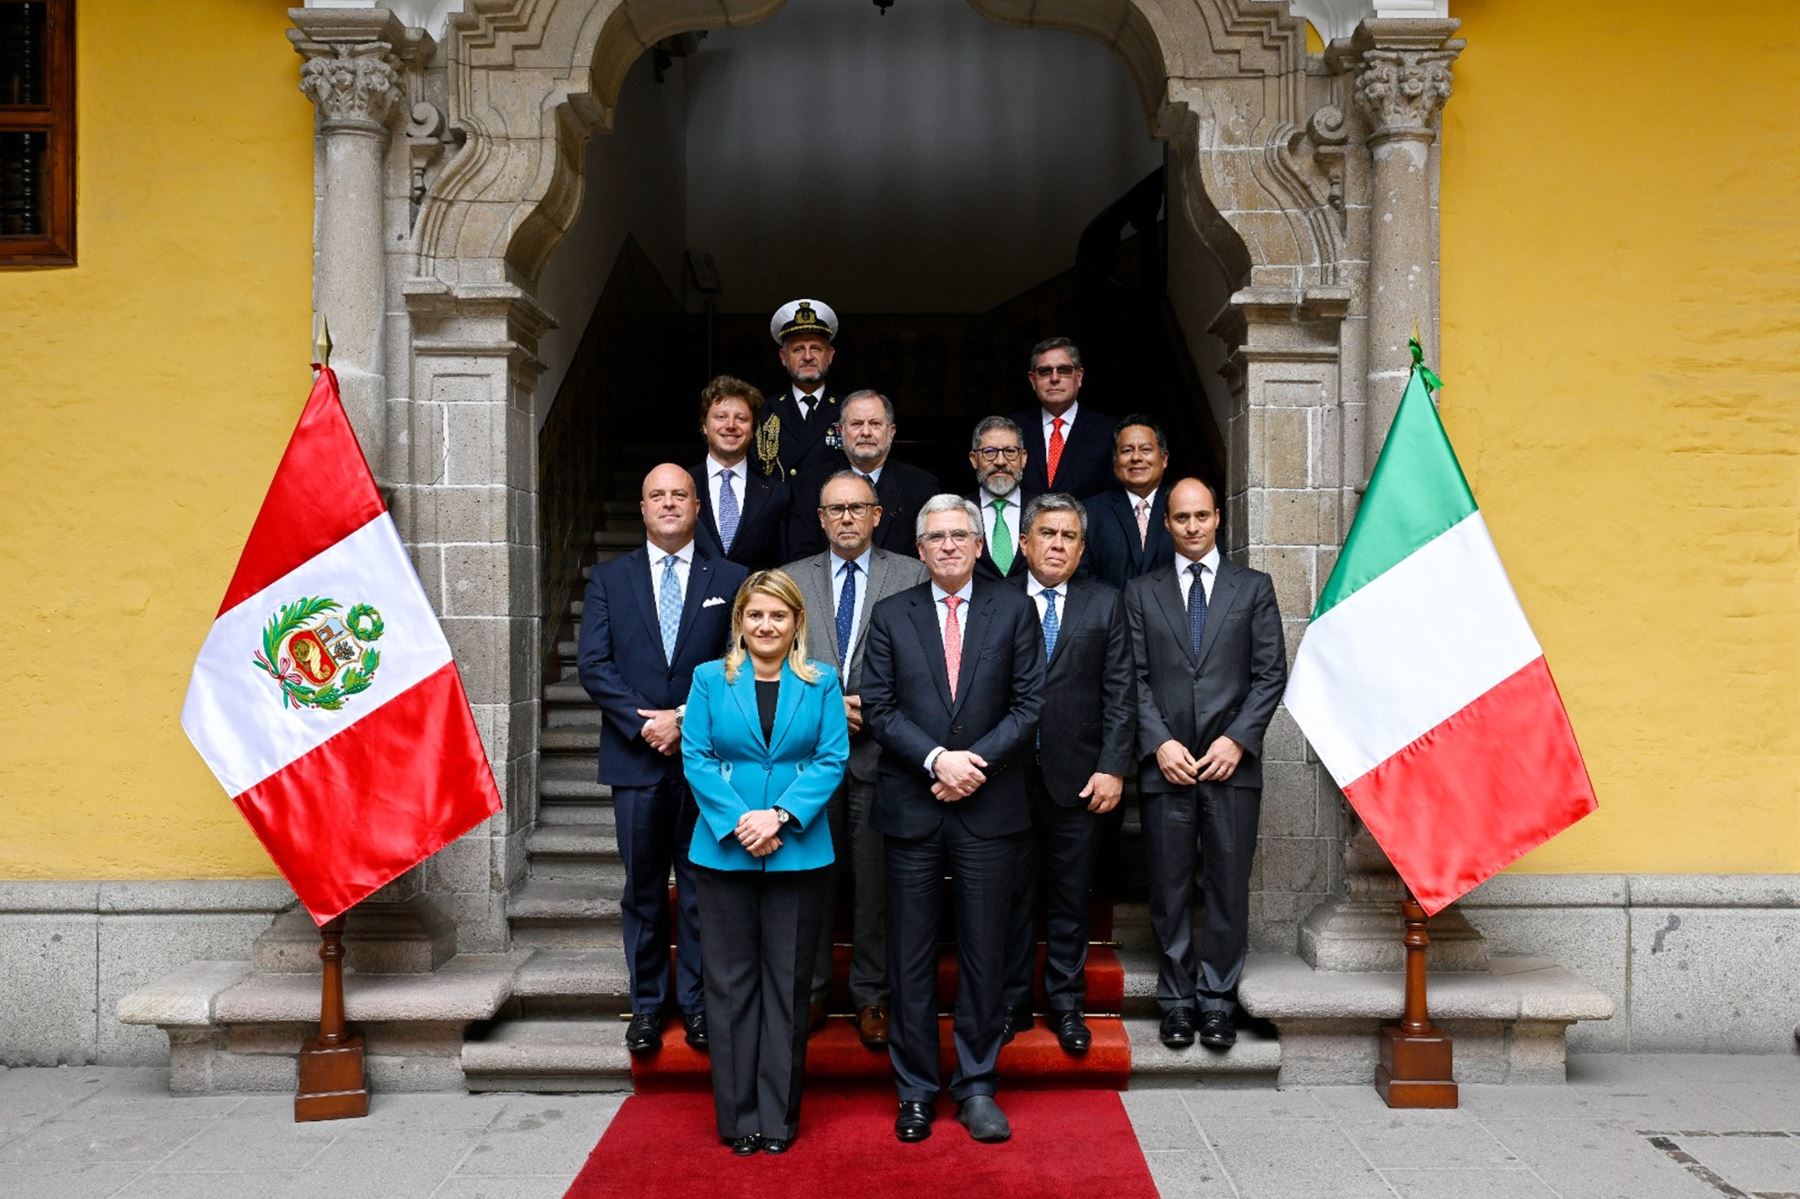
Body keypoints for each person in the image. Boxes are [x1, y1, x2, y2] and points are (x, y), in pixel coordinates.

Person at [862, 495, 1045, 1145]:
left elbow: (1029, 704)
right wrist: (937, 759)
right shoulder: (891, 614)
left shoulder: (1014, 609)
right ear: (919, 549)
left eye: (958, 535)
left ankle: (976, 1086)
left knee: (984, 954)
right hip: (913, 806)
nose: (947, 545)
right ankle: (915, 1090)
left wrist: (974, 764)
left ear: (977, 544)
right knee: (909, 957)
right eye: (935, 537)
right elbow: (879, 707)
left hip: (989, 808)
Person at [576, 464, 748, 1057]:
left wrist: (683, 718)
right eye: (658, 495)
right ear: (643, 508)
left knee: (701, 887)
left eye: (680, 494)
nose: (669, 503)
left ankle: (698, 1006)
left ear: (698, 506)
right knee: (643, 890)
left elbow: (739, 661)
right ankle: (647, 1007)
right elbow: (594, 664)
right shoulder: (609, 578)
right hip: (635, 759)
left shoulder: (731, 578)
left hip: (707, 761)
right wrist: (646, 722)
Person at [682, 569, 849, 1156]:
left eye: (778, 615)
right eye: (755, 614)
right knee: (729, 987)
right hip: (724, 851)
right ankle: (738, 1119)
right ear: (740, 621)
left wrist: (778, 815)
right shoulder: (709, 679)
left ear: (797, 621)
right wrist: (741, 822)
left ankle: (777, 1118)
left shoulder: (822, 682)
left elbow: (832, 758)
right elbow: (696, 756)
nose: (766, 625)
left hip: (797, 852)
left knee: (787, 987)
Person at [1123, 477, 1286, 1051]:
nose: (1192, 526)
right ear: (1166, 524)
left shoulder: (1254, 588)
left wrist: (1237, 741)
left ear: (1218, 518)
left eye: (1201, 516)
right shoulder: (1141, 592)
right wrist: (1158, 743)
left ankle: (1217, 1001)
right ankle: (1175, 1001)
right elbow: (1131, 676)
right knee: (1168, 889)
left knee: (1227, 886)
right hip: (1165, 766)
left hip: (1230, 767)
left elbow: (1270, 673)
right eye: (1181, 517)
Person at [786, 470, 929, 1045]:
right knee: (810, 881)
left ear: (877, 515)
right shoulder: (790, 580)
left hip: (883, 756)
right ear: (821, 520)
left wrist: (876, 707)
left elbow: (930, 662)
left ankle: (873, 997)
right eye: (835, 509)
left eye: (857, 507)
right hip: (808, 760)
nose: (846, 517)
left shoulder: (913, 575)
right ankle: (812, 992)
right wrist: (824, 708)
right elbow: (763, 661)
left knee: (876, 887)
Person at [999, 494, 1135, 1055]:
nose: (1057, 545)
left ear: (1081, 548)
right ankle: (1010, 1003)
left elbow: (1121, 691)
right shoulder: (996, 599)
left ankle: (1066, 1004)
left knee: (1070, 898)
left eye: (1069, 536)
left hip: (1079, 777)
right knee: (1008, 897)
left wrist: (1113, 767)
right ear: (1025, 542)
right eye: (1047, 534)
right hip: (1005, 778)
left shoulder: (1105, 603)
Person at [758, 298, 846, 560]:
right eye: (798, 349)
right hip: (779, 535)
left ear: (830, 355)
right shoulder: (765, 412)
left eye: (815, 348)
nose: (808, 356)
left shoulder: (849, 411)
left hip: (834, 531)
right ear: (784, 358)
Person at [690, 375, 791, 572]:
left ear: (752, 430)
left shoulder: (777, 493)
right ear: (704, 426)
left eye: (741, 418)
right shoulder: (683, 486)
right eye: (721, 417)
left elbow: (783, 566)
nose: (730, 425)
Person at [838, 389, 941, 555]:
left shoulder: (921, 486)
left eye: (875, 424)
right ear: (841, 431)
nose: (866, 432)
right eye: (857, 424)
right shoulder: (812, 483)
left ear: (891, 432)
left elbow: (928, 553)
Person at [1011, 337, 1116, 500]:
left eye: (1064, 370)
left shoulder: (1108, 431)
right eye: (1045, 371)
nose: (1054, 378)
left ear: (1079, 376)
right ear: (1033, 380)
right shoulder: (1012, 428)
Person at [1083, 415, 1175, 590]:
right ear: (1115, 462)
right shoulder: (1089, 512)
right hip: (1109, 606)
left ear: (1164, 459)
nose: (1136, 457)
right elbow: (1082, 574)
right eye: (1127, 450)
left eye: (1146, 449)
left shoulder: (1183, 506)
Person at [965, 415, 1033, 582]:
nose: (1000, 461)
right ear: (974, 460)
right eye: (989, 452)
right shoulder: (958, 511)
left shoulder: (1043, 510)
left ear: (1023, 458)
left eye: (1010, 451)